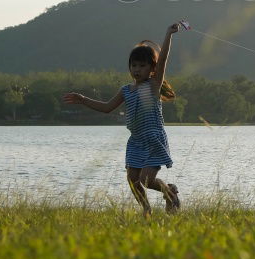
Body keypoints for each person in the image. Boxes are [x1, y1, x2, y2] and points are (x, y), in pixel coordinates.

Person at [63, 23, 182, 216]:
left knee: (146, 180)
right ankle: (146, 209)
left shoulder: (153, 86)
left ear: (151, 68)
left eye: (142, 66)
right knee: (132, 179)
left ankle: (170, 193)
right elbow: (107, 108)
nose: (137, 69)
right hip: (135, 141)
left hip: (153, 139)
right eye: (133, 65)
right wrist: (83, 100)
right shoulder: (126, 90)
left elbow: (163, 62)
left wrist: (169, 35)